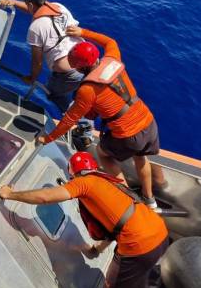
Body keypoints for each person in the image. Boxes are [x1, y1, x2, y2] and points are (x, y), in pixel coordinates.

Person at [0, 152, 169, 288]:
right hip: (160, 233)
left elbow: (46, 197)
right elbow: (118, 222)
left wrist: (10, 194)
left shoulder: (83, 183)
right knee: (139, 266)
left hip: (138, 245)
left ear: (73, 173)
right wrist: (97, 250)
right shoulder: (107, 181)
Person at [35, 26, 166, 210]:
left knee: (103, 153)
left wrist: (47, 138)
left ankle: (129, 199)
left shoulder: (86, 90)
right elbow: (110, 41)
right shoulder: (112, 58)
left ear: (80, 67)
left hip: (128, 134)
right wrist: (82, 33)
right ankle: (150, 200)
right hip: (148, 122)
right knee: (141, 158)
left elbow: (69, 120)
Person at [0, 0, 84, 113]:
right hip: (85, 61)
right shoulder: (60, 7)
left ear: (30, 5)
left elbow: (37, 61)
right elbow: (37, 9)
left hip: (68, 74)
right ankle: (85, 123)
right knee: (81, 95)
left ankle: (78, 125)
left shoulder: (36, 27)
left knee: (55, 95)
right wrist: (14, 2)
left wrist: (32, 78)